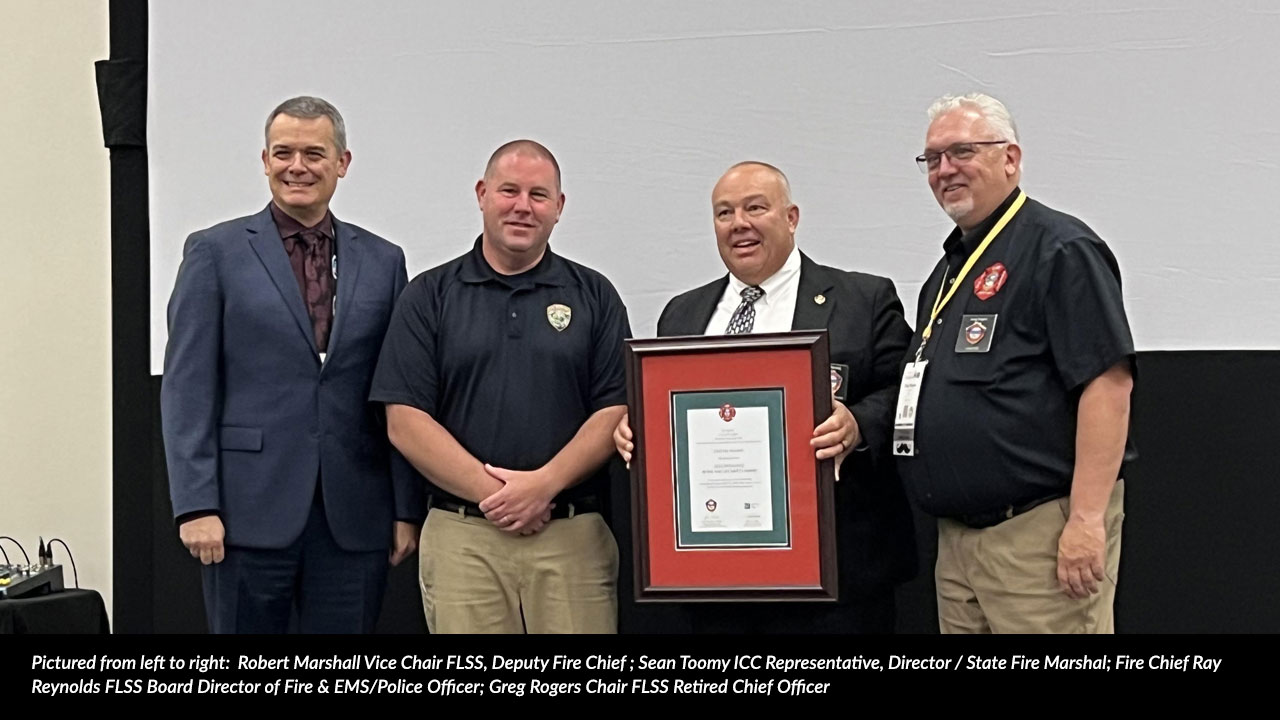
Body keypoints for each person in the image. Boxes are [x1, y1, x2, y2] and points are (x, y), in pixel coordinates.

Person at [613, 161, 916, 633]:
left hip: (837, 578)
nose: (740, 224)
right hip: (711, 578)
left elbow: (906, 390)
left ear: (791, 217)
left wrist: (857, 423)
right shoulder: (683, 313)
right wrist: (638, 426)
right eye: (725, 213)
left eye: (756, 208)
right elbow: (666, 409)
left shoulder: (863, 298)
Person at [161, 96, 421, 633]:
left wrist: (404, 507)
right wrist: (194, 505)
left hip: (353, 517)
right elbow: (187, 388)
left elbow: (397, 393)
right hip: (242, 515)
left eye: (313, 153)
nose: (296, 166)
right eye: (283, 152)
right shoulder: (215, 252)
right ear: (264, 160)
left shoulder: (384, 260)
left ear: (342, 163)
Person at [898, 92, 1135, 633]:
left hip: (1037, 535)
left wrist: (1086, 519)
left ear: (1011, 158)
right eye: (932, 159)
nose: (944, 169)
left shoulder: (1060, 248)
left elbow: (1107, 385)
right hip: (959, 543)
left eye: (962, 151)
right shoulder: (949, 269)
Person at [370, 140, 630, 633]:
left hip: (571, 535)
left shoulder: (595, 294)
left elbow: (614, 408)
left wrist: (544, 486)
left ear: (559, 207)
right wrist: (502, 496)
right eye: (509, 190)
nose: (522, 206)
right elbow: (405, 420)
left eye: (538, 194)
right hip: (462, 538)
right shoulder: (429, 295)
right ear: (482, 194)